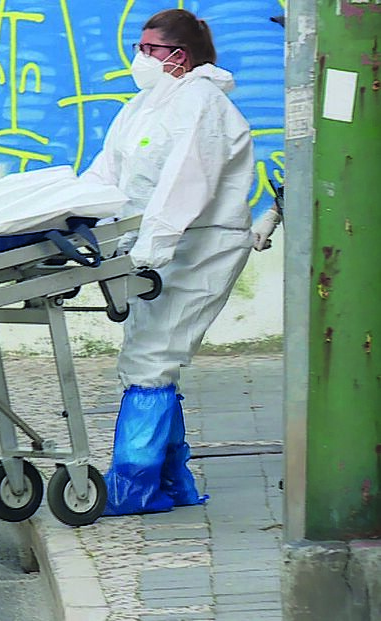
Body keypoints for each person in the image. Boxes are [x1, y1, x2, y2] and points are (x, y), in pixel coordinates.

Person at [78, 9, 255, 515]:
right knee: (152, 356)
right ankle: (171, 482)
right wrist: (74, 217)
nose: (140, 57)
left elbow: (183, 185)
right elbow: (107, 173)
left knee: (152, 359)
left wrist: (148, 253)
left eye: (149, 49)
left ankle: (133, 486)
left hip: (198, 249)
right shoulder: (144, 107)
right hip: (152, 253)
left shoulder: (202, 104)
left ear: (179, 56)